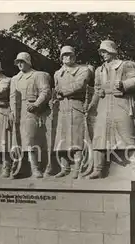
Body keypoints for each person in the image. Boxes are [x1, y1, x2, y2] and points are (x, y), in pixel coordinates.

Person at [86, 40, 135, 180]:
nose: (103, 54)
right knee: (99, 137)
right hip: (104, 105)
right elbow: (97, 89)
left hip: (121, 103)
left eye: (105, 51)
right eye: (101, 52)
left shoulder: (125, 65)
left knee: (128, 135)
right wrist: (91, 105)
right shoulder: (99, 70)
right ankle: (98, 169)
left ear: (112, 51)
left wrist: (124, 84)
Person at [9, 52, 52, 178]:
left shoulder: (38, 75)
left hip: (31, 110)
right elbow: (12, 97)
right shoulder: (15, 79)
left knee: (30, 139)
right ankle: (18, 168)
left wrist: (37, 104)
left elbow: (46, 91)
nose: (20, 64)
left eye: (22, 61)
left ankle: (35, 168)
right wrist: (12, 111)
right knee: (17, 140)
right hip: (18, 111)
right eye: (18, 62)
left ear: (28, 62)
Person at [53, 45, 93, 178]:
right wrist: (57, 95)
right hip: (62, 107)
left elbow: (79, 84)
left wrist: (62, 91)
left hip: (76, 105)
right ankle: (64, 168)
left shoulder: (83, 70)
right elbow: (56, 89)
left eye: (70, 55)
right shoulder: (58, 73)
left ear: (74, 56)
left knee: (76, 138)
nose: (67, 57)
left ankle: (77, 167)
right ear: (61, 57)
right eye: (64, 55)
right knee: (62, 139)